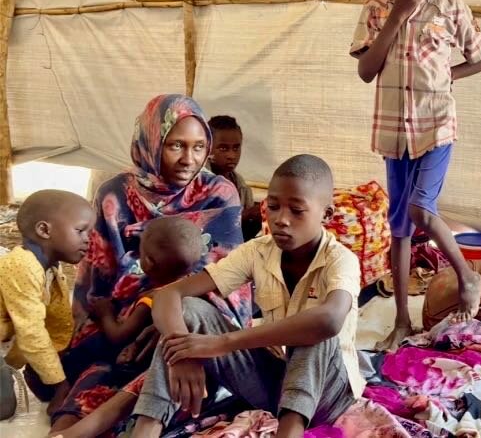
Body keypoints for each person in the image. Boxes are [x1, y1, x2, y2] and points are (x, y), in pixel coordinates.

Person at [49, 94, 253, 434]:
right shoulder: (114, 195)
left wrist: (172, 325)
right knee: (90, 387)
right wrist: (129, 314)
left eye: (200, 147)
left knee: (175, 381)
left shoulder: (220, 193)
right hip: (122, 330)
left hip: (193, 330)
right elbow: (97, 284)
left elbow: (230, 280)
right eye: (176, 145)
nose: (190, 159)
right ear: (151, 141)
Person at [130, 154, 364, 438]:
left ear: (326, 214)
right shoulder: (259, 250)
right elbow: (170, 294)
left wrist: (221, 343)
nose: (281, 220)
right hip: (277, 385)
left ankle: (289, 432)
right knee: (190, 310)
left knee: (311, 329)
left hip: (329, 396)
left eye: (296, 210)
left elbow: (328, 321)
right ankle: (145, 431)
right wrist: (183, 354)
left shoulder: (341, 260)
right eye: (274, 207)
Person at [350, 0, 481, 350]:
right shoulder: (378, 8)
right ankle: (400, 320)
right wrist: (397, 15)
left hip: (437, 127)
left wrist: (452, 75)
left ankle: (468, 276)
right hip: (394, 131)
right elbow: (366, 71)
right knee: (398, 227)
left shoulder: (451, 8)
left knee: (420, 210)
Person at [49, 216, 204, 438]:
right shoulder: (189, 287)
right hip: (150, 370)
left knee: (89, 372)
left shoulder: (153, 298)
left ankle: (59, 425)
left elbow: (118, 336)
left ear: (148, 261)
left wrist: (105, 314)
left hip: (128, 365)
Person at [0, 190, 94, 419]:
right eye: (80, 230)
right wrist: (60, 385)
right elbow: (31, 332)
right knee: (3, 409)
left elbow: (56, 320)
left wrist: (54, 369)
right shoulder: (21, 265)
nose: (88, 239)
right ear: (44, 230)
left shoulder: (51, 268)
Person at [207, 115, 261, 241]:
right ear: (207, 148)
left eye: (236, 148)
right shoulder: (199, 183)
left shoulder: (241, 185)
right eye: (223, 148)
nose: (231, 155)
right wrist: (246, 214)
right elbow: (203, 225)